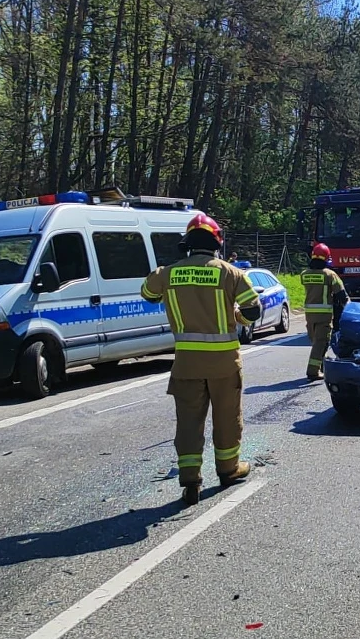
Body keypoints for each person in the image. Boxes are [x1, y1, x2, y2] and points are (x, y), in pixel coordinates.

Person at [141, 215, 260, 506]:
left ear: (188, 244)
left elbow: (147, 293)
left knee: (189, 422)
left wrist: (171, 274)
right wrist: (238, 318)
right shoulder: (230, 273)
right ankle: (228, 469)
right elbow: (253, 310)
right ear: (217, 243)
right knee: (227, 418)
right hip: (223, 364)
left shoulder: (168, 273)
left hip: (186, 364)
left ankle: (190, 479)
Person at [301, 243, 349, 381]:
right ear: (326, 257)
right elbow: (341, 295)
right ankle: (313, 371)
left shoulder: (304, 274)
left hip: (309, 315)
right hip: (325, 315)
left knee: (316, 341)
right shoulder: (330, 274)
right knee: (321, 342)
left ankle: (323, 366)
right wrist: (349, 309)